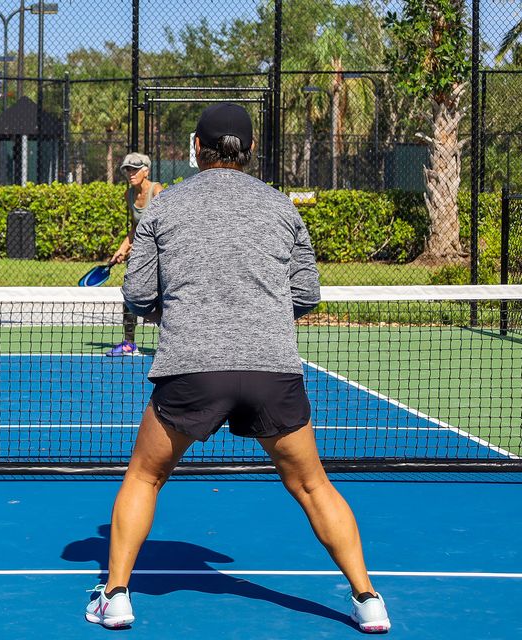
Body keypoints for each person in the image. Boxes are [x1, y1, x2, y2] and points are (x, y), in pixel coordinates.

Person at [85, 103, 390, 634]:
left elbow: (136, 296)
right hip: (273, 369)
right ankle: (368, 600)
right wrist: (259, 317)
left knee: (144, 476)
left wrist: (183, 312)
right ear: (248, 152)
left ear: (197, 149)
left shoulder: (162, 208)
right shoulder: (282, 208)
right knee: (315, 486)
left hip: (191, 368)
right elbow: (306, 295)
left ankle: (115, 595)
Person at [106, 152, 163, 357]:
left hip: (159, 251)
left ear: (146, 171)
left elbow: (165, 224)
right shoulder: (129, 194)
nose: (130, 173)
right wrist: (122, 248)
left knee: (164, 296)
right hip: (140, 253)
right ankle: (129, 342)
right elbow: (135, 227)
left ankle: (170, 341)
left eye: (135, 169)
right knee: (129, 293)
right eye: (127, 169)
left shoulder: (157, 191)